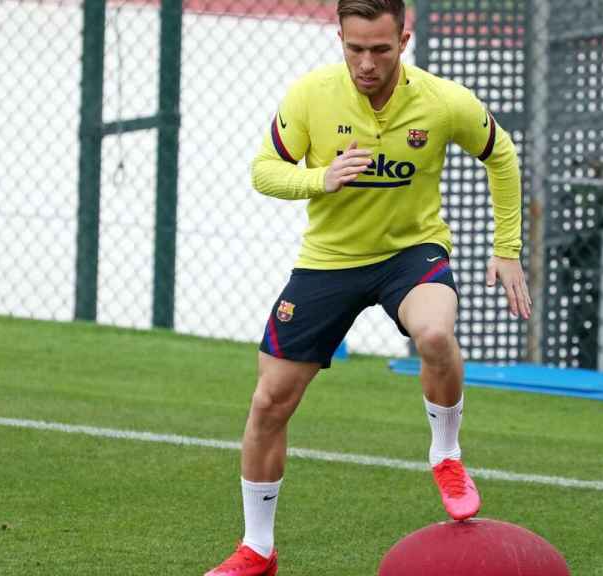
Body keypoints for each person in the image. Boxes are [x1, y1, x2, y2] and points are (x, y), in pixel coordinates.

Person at [205, 0, 530, 574]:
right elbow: (263, 170)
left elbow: (500, 155)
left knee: (434, 335)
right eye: (354, 48)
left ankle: (447, 455)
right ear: (339, 38)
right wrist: (320, 178)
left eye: (380, 49)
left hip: (411, 253)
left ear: (404, 40)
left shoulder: (442, 100)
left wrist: (507, 249)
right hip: (328, 262)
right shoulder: (311, 95)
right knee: (268, 403)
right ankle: (257, 549)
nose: (366, 63)